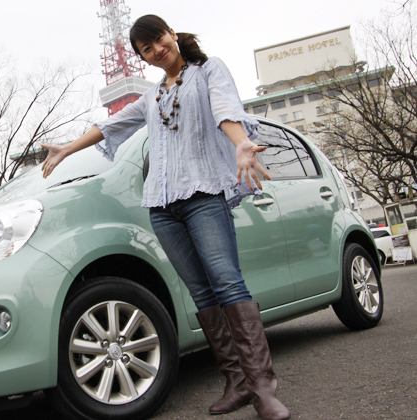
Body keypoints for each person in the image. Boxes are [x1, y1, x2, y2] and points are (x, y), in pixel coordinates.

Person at [41, 14, 290, 420]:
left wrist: (242, 143)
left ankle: (263, 387)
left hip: (204, 194)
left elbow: (225, 108)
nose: (157, 50)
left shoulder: (208, 71)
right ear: (143, 58)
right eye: (146, 49)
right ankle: (236, 381)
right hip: (162, 205)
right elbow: (110, 126)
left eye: (158, 39)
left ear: (172, 34)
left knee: (227, 282)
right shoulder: (152, 97)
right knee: (201, 293)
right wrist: (67, 149)